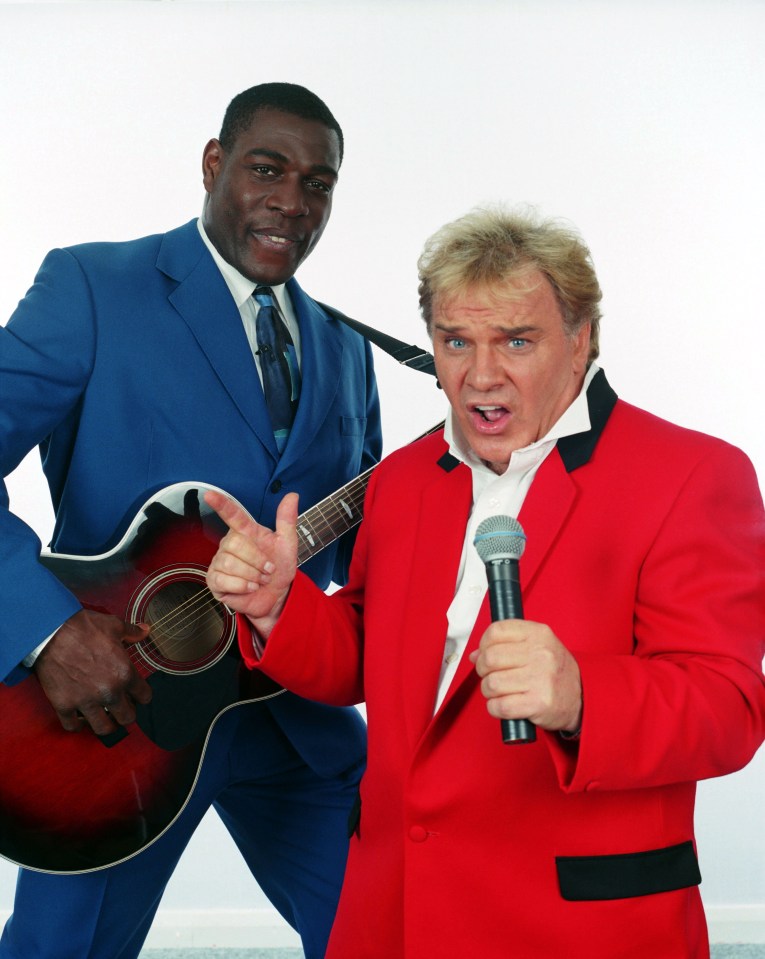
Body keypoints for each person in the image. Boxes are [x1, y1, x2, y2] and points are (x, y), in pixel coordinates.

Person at [205, 205, 765, 959]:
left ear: (581, 340)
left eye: (517, 340)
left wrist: (579, 695)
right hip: (392, 915)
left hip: (575, 926)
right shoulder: (403, 480)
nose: (479, 374)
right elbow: (367, 654)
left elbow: (726, 709)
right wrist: (280, 607)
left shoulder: (693, 474)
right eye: (455, 341)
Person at [0, 82, 381, 959]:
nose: (292, 200)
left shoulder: (346, 348)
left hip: (291, 714)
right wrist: (48, 631)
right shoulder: (93, 286)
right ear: (214, 164)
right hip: (108, 725)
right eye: (266, 168)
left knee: (394, 929)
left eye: (318, 183)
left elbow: (370, 550)